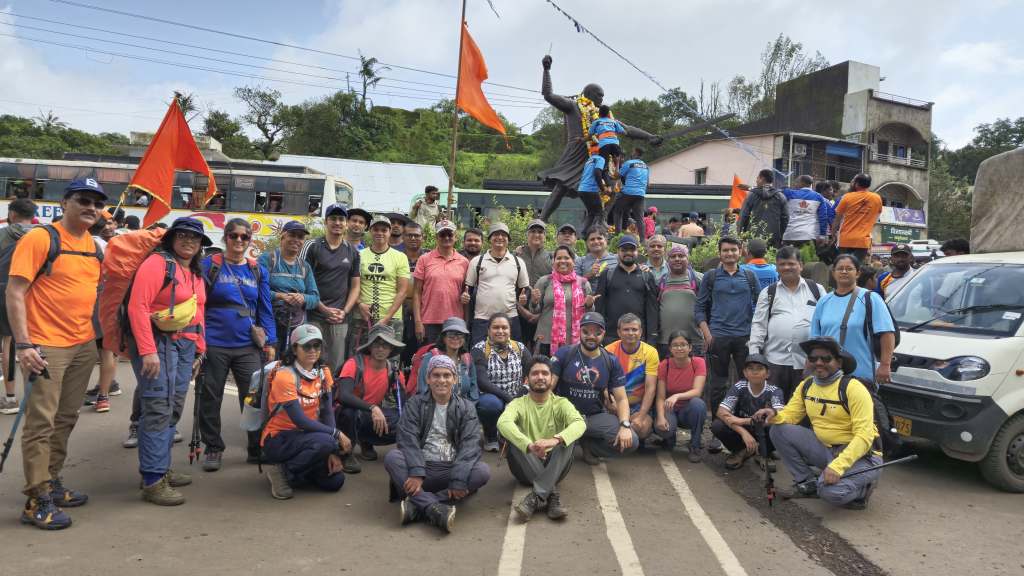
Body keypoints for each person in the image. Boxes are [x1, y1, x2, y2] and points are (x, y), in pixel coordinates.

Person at [7, 178, 105, 529]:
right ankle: (36, 498)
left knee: (65, 418)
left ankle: (52, 479)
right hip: (45, 346)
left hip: (82, 344)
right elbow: (16, 291)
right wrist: (24, 344)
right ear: (65, 203)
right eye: (83, 200)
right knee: (41, 422)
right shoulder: (40, 238)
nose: (91, 207)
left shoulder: (94, 246)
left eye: (96, 202)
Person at [128, 217, 208, 506]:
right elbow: (137, 306)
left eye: (195, 238)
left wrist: (200, 349)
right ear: (172, 238)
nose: (189, 241)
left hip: (185, 347)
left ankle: (159, 465)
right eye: (183, 235)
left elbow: (199, 313)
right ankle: (152, 479)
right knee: (158, 408)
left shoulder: (195, 272)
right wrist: (147, 350)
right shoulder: (157, 264)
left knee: (173, 407)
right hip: (158, 344)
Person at [757, 337, 882, 509]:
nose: (819, 363)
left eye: (826, 358)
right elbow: (791, 414)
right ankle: (807, 481)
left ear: (839, 362)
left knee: (829, 493)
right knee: (778, 430)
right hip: (825, 448)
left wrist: (838, 467)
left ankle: (863, 489)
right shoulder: (807, 385)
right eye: (813, 358)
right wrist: (773, 414)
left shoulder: (853, 388)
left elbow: (865, 435)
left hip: (862, 457)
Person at [199, 218, 277, 471]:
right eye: (234, 236)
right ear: (225, 237)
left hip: (247, 345)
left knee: (253, 398)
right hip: (214, 342)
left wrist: (271, 341)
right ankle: (213, 447)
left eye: (245, 237)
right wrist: (197, 339)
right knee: (211, 396)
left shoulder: (257, 270)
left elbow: (265, 308)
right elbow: (198, 303)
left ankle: (256, 446)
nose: (239, 241)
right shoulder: (209, 265)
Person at [386, 354, 491, 533]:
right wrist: (417, 472)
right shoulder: (415, 403)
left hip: (450, 469)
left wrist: (458, 478)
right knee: (392, 458)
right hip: (421, 470)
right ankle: (436, 507)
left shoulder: (466, 407)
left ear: (455, 379)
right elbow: (407, 439)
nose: (441, 380)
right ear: (428, 378)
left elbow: (470, 445)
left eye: (446, 375)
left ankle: (419, 503)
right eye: (436, 375)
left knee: (482, 471)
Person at [261, 324, 350, 500]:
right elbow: (300, 420)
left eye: (316, 346)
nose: (313, 350)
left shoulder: (324, 372)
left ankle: (300, 471)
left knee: (335, 481)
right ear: (295, 349)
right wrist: (336, 435)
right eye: (306, 346)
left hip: (310, 437)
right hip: (279, 438)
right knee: (326, 441)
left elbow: (327, 413)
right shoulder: (285, 376)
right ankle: (281, 472)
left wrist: (332, 451)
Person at [498, 355, 586, 522]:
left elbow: (579, 424)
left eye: (545, 373)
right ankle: (551, 494)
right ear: (527, 379)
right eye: (535, 373)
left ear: (552, 379)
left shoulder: (561, 403)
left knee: (568, 438)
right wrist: (529, 445)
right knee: (513, 435)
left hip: (556, 465)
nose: (540, 377)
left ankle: (535, 498)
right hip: (525, 468)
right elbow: (503, 422)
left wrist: (555, 440)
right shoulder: (518, 403)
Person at [695, 236, 759, 453]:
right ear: (719, 253)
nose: (730, 254)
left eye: (733, 250)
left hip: (744, 338)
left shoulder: (749, 276)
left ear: (740, 251)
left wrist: (755, 334)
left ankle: (746, 430)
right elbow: (700, 307)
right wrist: (707, 333)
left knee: (747, 385)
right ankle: (718, 432)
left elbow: (760, 307)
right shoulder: (711, 277)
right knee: (718, 386)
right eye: (725, 251)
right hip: (718, 337)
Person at [551, 312, 638, 464]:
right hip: (563, 416)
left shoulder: (611, 361)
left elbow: (622, 398)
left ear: (603, 333)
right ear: (579, 331)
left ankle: (590, 445)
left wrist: (625, 424)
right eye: (586, 332)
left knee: (632, 440)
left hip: (592, 418)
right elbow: (549, 387)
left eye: (597, 332)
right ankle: (567, 442)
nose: (591, 336)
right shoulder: (565, 353)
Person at [747, 246, 825, 401]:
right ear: (776, 267)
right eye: (782, 264)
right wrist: (754, 356)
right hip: (775, 361)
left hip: (807, 362)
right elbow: (758, 325)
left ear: (801, 265)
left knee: (804, 407)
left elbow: (826, 323)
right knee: (774, 406)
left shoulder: (816, 290)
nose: (787, 267)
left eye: (791, 263)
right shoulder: (769, 292)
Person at [810, 254, 895, 387]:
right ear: (833, 273)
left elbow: (887, 333)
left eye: (849, 268)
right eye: (840, 268)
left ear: (857, 273)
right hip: (828, 374)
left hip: (861, 375)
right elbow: (815, 339)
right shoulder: (824, 301)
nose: (844, 271)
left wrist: (885, 364)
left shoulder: (870, 298)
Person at [335, 324, 409, 473]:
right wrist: (373, 408)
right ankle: (345, 453)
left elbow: (403, 404)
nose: (380, 349)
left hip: (369, 415)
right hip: (343, 415)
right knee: (350, 412)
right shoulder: (354, 363)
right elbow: (343, 396)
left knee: (404, 420)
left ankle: (366, 441)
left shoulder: (393, 371)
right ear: (370, 346)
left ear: (391, 348)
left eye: (385, 345)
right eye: (377, 344)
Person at [303, 204, 360, 374]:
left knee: (335, 367)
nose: (337, 222)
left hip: (339, 319)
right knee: (310, 364)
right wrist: (322, 308)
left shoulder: (352, 251)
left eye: (341, 219)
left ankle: (330, 401)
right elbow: (303, 282)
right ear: (325, 221)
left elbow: (355, 285)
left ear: (346, 223)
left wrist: (345, 311)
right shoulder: (312, 246)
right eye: (333, 218)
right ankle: (310, 400)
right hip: (314, 315)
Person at [259, 221, 320, 359]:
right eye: (292, 235)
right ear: (283, 237)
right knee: (269, 367)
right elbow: (257, 291)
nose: (296, 240)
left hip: (297, 327)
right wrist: (280, 296)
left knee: (291, 368)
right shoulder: (267, 260)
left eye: (300, 237)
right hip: (270, 324)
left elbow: (315, 298)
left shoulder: (305, 267)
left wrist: (303, 298)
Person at [712, 354, 784, 469]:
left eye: (760, 369)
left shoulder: (774, 391)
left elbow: (779, 415)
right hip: (742, 431)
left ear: (767, 373)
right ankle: (740, 450)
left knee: (779, 426)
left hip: (763, 430)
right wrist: (743, 432)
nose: (755, 372)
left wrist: (743, 421)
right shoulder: (739, 387)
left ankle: (764, 453)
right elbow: (721, 412)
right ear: (745, 373)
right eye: (750, 368)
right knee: (717, 425)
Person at [472, 313, 532, 451]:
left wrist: (519, 396)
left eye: (504, 327)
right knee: (490, 405)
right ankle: (491, 435)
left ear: (510, 330)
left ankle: (516, 434)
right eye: (496, 327)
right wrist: (508, 399)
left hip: (518, 395)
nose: (500, 331)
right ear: (488, 330)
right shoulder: (479, 350)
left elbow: (531, 372)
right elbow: (482, 381)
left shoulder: (520, 348)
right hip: (492, 396)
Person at [462, 222, 530, 345]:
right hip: (482, 319)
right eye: (495, 234)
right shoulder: (477, 261)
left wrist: (523, 299)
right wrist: (465, 296)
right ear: (489, 239)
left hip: (510, 319)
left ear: (508, 239)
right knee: (480, 357)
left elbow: (524, 290)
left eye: (503, 235)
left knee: (512, 357)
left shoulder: (518, 262)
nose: (499, 237)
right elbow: (468, 289)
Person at [0, 197, 37, 415]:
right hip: (33, 294)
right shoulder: (41, 235)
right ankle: (36, 396)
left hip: (4, 291)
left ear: (12, 214)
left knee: (9, 345)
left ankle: (11, 397)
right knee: (32, 345)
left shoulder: (2, 234)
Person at [529, 245, 596, 356]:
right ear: (553, 262)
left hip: (574, 341)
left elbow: (589, 314)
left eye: (566, 258)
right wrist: (534, 302)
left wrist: (589, 305)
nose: (562, 261)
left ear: (573, 261)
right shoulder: (544, 281)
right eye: (559, 258)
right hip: (546, 340)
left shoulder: (583, 283)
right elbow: (534, 311)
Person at [355, 215, 410, 349]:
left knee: (390, 361)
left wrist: (386, 318)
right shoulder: (359, 255)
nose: (380, 233)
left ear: (390, 232)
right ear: (370, 231)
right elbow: (353, 285)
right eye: (376, 229)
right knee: (360, 358)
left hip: (391, 318)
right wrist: (360, 304)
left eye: (384, 230)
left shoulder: (400, 257)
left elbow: (402, 291)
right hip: (363, 317)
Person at [604, 314, 660, 444]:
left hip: (637, 406)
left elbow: (650, 388)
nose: (631, 333)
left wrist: (640, 417)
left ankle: (633, 438)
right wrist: (609, 401)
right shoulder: (608, 351)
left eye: (634, 329)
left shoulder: (651, 352)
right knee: (611, 429)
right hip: (614, 405)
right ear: (619, 332)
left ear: (640, 332)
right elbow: (602, 384)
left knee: (642, 428)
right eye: (626, 329)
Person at [594, 235, 660, 344]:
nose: (628, 253)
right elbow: (600, 306)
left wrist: (652, 336)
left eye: (632, 249)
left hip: (638, 336)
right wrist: (599, 333)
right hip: (611, 337)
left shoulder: (647, 276)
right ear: (618, 252)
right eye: (624, 250)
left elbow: (652, 308)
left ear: (637, 252)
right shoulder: (607, 275)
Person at [653, 331, 707, 462]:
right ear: (670, 348)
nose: (679, 348)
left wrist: (677, 395)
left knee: (698, 404)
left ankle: (695, 445)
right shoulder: (664, 365)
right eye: (675, 345)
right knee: (665, 430)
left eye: (683, 344)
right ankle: (669, 439)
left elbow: (697, 391)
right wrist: (660, 417)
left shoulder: (698, 362)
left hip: (688, 411)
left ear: (690, 347)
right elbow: (660, 397)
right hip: (669, 408)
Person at [413, 220, 470, 345]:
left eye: (450, 234)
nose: (446, 238)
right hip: (429, 321)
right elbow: (416, 293)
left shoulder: (464, 262)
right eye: (442, 235)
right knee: (429, 360)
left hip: (455, 321)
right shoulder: (424, 259)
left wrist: (465, 323)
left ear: (455, 237)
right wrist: (418, 322)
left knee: (453, 361)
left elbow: (465, 294)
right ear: (436, 237)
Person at [414, 317, 478, 401]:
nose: (455, 338)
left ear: (465, 338)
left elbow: (474, 389)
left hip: (463, 408)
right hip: (434, 407)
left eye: (460, 334)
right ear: (443, 338)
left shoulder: (467, 358)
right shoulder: (430, 357)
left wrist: (470, 407)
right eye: (451, 334)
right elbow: (423, 389)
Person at [657, 244, 704, 358]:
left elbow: (708, 308)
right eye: (673, 256)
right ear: (667, 261)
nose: (677, 259)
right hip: (666, 342)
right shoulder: (661, 281)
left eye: (681, 256)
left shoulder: (698, 279)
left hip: (693, 341)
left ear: (687, 259)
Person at [514, 219, 553, 348]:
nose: (536, 235)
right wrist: (520, 307)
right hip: (518, 309)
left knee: (539, 347)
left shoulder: (551, 257)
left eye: (540, 232)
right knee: (520, 347)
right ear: (527, 234)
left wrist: (539, 313)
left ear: (545, 236)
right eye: (533, 231)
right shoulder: (516, 255)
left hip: (542, 312)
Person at [833, 173, 882, 261]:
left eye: (853, 181)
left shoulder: (847, 197)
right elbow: (876, 217)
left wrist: (833, 235)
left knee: (843, 265)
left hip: (845, 240)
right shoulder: (877, 198)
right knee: (856, 267)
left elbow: (837, 219)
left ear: (857, 184)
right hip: (863, 241)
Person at [740, 169, 789, 248]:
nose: (756, 180)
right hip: (774, 238)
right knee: (772, 259)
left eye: (757, 178)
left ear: (762, 179)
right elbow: (785, 218)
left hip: (753, 237)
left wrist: (741, 234)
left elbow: (743, 216)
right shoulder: (781, 196)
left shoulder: (751, 195)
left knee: (755, 259)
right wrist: (781, 235)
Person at [611, 148, 649, 240]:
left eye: (632, 152)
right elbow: (648, 184)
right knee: (640, 219)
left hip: (628, 193)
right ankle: (643, 241)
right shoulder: (646, 166)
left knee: (617, 212)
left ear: (635, 153)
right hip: (640, 194)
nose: (631, 154)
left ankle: (617, 237)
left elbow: (616, 176)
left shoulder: (629, 163)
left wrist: (617, 163)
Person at [782, 175, 830, 246]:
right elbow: (823, 217)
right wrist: (822, 235)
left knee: (789, 256)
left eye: (796, 182)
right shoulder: (819, 197)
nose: (795, 184)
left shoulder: (789, 193)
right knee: (807, 257)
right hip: (809, 235)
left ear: (801, 183)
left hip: (790, 234)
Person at [575, 153, 607, 237]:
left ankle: (583, 235)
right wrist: (603, 188)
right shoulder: (600, 159)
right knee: (600, 213)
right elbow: (597, 172)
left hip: (582, 189)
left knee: (591, 213)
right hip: (590, 189)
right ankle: (595, 234)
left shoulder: (589, 160)